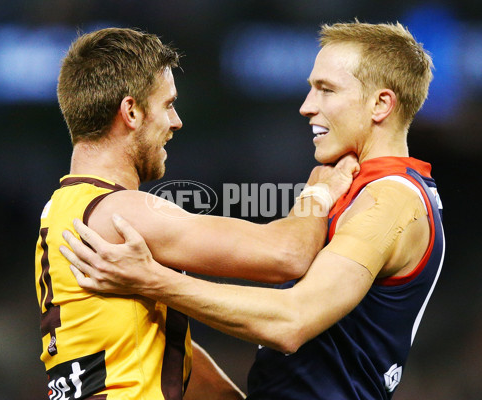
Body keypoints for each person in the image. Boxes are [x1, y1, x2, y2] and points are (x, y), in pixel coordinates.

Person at [61, 21, 445, 399]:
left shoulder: (393, 200)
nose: (306, 107)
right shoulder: (343, 186)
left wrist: (153, 280)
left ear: (381, 104)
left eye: (326, 90)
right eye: (311, 89)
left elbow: (293, 321)